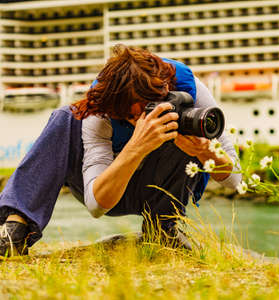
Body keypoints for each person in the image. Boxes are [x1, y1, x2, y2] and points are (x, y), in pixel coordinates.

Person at [0, 44, 241, 256]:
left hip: (158, 185)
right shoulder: (99, 111)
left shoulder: (192, 91)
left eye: (145, 110)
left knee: (186, 126)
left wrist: (205, 151)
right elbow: (96, 205)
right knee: (65, 117)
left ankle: (163, 230)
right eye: (130, 115)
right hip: (108, 187)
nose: (140, 121)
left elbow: (235, 180)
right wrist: (136, 147)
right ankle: (16, 227)